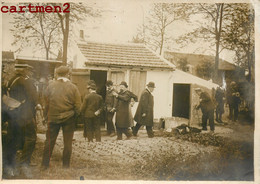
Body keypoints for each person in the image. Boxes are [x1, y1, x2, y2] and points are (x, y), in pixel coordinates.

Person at [2, 64, 40, 177]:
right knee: (31, 138)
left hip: (12, 113)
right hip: (25, 115)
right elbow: (33, 98)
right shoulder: (26, 82)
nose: (30, 73)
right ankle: (24, 163)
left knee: (12, 138)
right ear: (25, 71)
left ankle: (9, 166)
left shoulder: (9, 81)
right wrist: (38, 106)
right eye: (29, 70)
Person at [41, 66, 81, 169]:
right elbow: (78, 106)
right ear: (68, 74)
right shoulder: (73, 87)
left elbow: (45, 103)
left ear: (57, 74)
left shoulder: (50, 86)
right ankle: (66, 166)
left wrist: (45, 116)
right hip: (69, 118)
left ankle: (44, 165)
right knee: (67, 143)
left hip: (53, 117)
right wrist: (74, 117)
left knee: (49, 141)